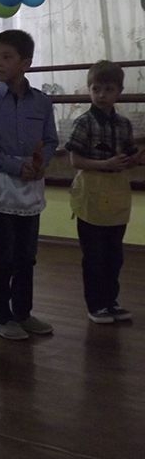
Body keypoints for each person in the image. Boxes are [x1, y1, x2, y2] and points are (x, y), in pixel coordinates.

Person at [0, 29, 59, 341]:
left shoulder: (42, 102)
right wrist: (15, 166)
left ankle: (23, 313)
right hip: (2, 185)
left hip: (31, 185)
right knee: (4, 256)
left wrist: (39, 163)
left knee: (26, 256)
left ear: (26, 63)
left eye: (6, 57)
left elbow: (50, 140)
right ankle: (1, 317)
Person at [64, 60, 144, 324]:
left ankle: (111, 301)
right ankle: (96, 305)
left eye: (108, 89)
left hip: (117, 193)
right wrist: (105, 164)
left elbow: (129, 157)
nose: (101, 95)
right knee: (94, 255)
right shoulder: (83, 123)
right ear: (89, 89)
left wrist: (135, 160)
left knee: (114, 254)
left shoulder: (124, 124)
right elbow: (75, 160)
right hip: (91, 192)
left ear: (119, 91)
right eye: (96, 89)